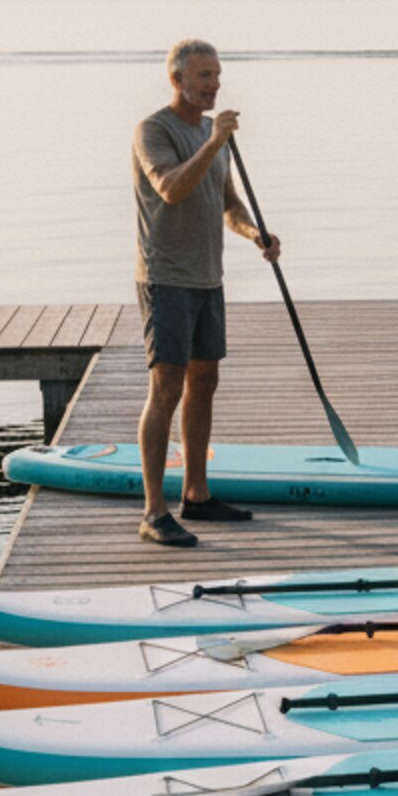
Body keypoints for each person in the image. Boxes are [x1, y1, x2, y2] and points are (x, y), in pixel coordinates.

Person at [130, 39, 280, 548]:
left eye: (217, 75)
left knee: (205, 381)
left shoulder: (212, 134)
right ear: (177, 80)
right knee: (166, 388)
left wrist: (255, 233)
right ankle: (154, 512)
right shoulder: (155, 130)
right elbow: (172, 188)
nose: (214, 84)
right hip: (166, 276)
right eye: (203, 77)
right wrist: (214, 142)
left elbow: (227, 203)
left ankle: (197, 494)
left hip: (207, 277)